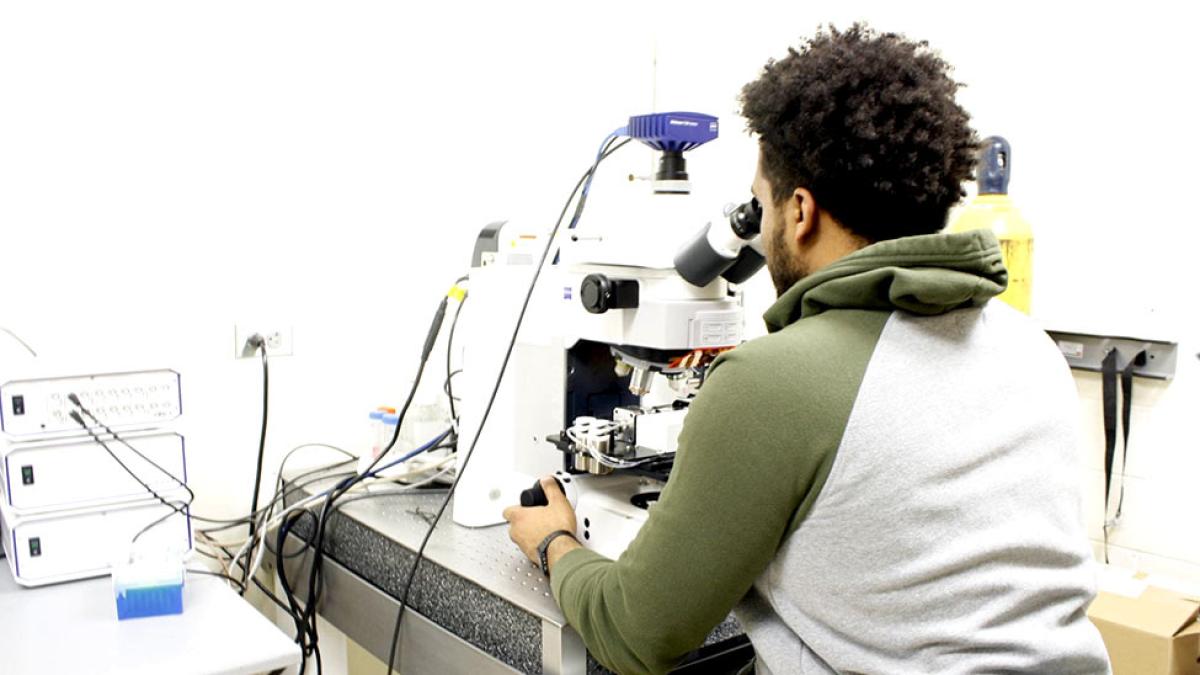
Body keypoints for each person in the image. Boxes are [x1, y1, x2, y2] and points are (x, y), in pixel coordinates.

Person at [504, 23, 1110, 675]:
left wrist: (555, 541)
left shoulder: (774, 378)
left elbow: (636, 634)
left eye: (759, 205)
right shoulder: (1030, 346)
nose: (757, 229)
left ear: (800, 212)